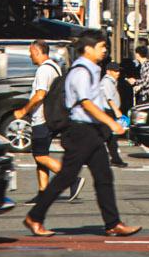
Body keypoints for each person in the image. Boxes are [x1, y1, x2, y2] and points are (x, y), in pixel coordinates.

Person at [22, 31, 141, 237]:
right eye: (101, 46)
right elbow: (86, 103)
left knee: (103, 176)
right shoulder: (80, 72)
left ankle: (113, 223)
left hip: (91, 131)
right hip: (79, 131)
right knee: (66, 176)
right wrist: (111, 123)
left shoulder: (92, 69)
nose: (104, 50)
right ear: (88, 48)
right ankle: (35, 216)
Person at [16, 40, 63, 194]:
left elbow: (40, 95)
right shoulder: (55, 67)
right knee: (40, 156)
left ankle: (70, 178)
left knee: (40, 156)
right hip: (49, 117)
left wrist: (23, 110)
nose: (30, 56)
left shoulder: (43, 70)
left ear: (37, 51)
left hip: (42, 119)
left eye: (31, 53)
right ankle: (43, 192)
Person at [97, 61, 129, 167]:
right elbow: (109, 98)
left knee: (110, 137)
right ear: (108, 71)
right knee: (107, 136)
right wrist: (116, 110)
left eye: (118, 70)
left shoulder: (112, 81)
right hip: (107, 112)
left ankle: (115, 159)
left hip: (109, 111)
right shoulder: (107, 82)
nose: (118, 73)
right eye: (115, 71)